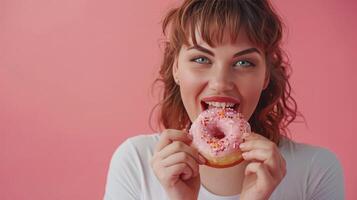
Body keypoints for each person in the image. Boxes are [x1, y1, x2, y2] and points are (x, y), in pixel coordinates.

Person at [103, 0, 345, 199]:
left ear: (265, 77)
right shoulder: (137, 162)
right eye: (201, 59)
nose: (220, 82)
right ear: (176, 68)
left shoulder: (315, 170)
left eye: (243, 62)